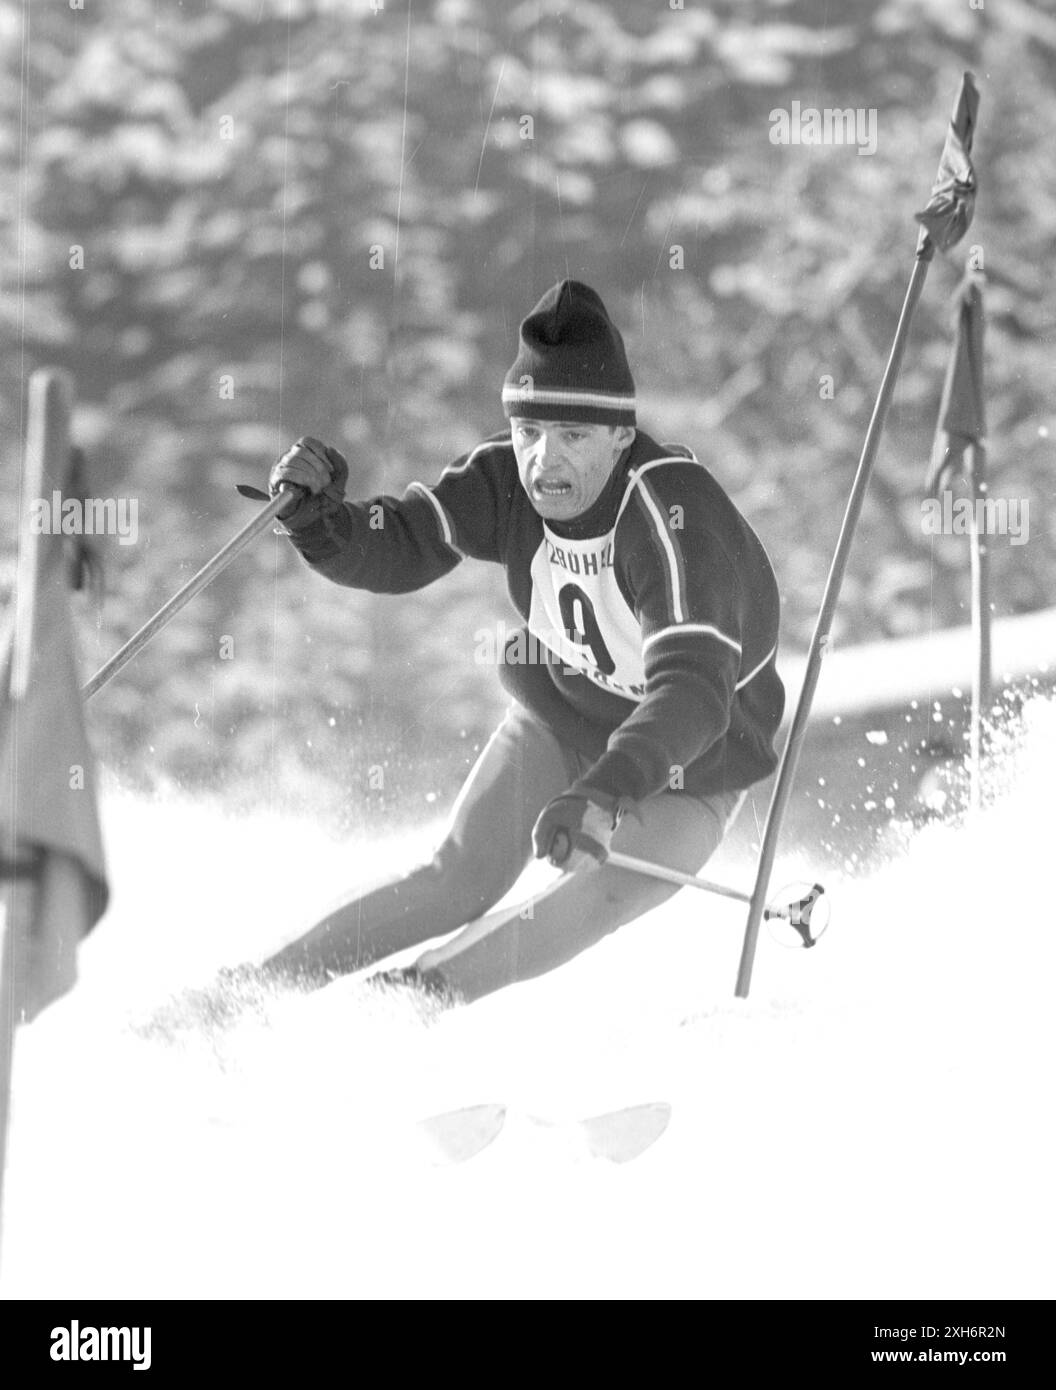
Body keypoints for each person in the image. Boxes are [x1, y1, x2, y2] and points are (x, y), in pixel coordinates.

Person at [259, 280, 784, 1005]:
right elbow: (405, 543)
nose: (544, 462)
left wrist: (604, 790)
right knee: (458, 879)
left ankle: (400, 1009)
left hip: (687, 763)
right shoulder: (506, 480)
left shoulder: (670, 521)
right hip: (563, 718)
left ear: (621, 437)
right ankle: (252, 996)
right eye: (530, 433)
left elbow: (693, 694)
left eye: (573, 437)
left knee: (595, 893)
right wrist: (323, 523)